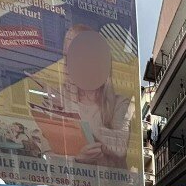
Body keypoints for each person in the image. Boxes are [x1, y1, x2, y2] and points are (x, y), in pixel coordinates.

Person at [45, 24, 133, 167]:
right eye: (67, 57)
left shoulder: (119, 103)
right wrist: (78, 159)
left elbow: (120, 149)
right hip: (70, 180)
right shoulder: (56, 99)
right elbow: (47, 155)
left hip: (109, 181)